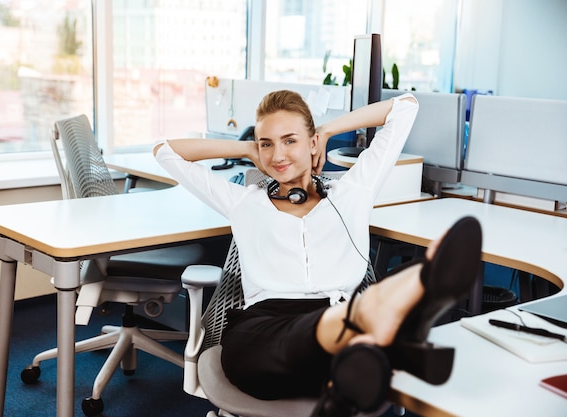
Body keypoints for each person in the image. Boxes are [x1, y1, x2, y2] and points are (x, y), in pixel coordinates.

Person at [153, 91, 482, 416]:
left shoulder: (354, 191)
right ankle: (393, 310)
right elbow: (165, 151)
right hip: (263, 329)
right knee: (308, 353)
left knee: (344, 354)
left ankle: (369, 329)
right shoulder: (242, 201)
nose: (277, 154)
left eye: (290, 140)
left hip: (336, 317)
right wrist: (248, 148)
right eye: (268, 143)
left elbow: (405, 107)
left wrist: (327, 130)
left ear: (312, 145)